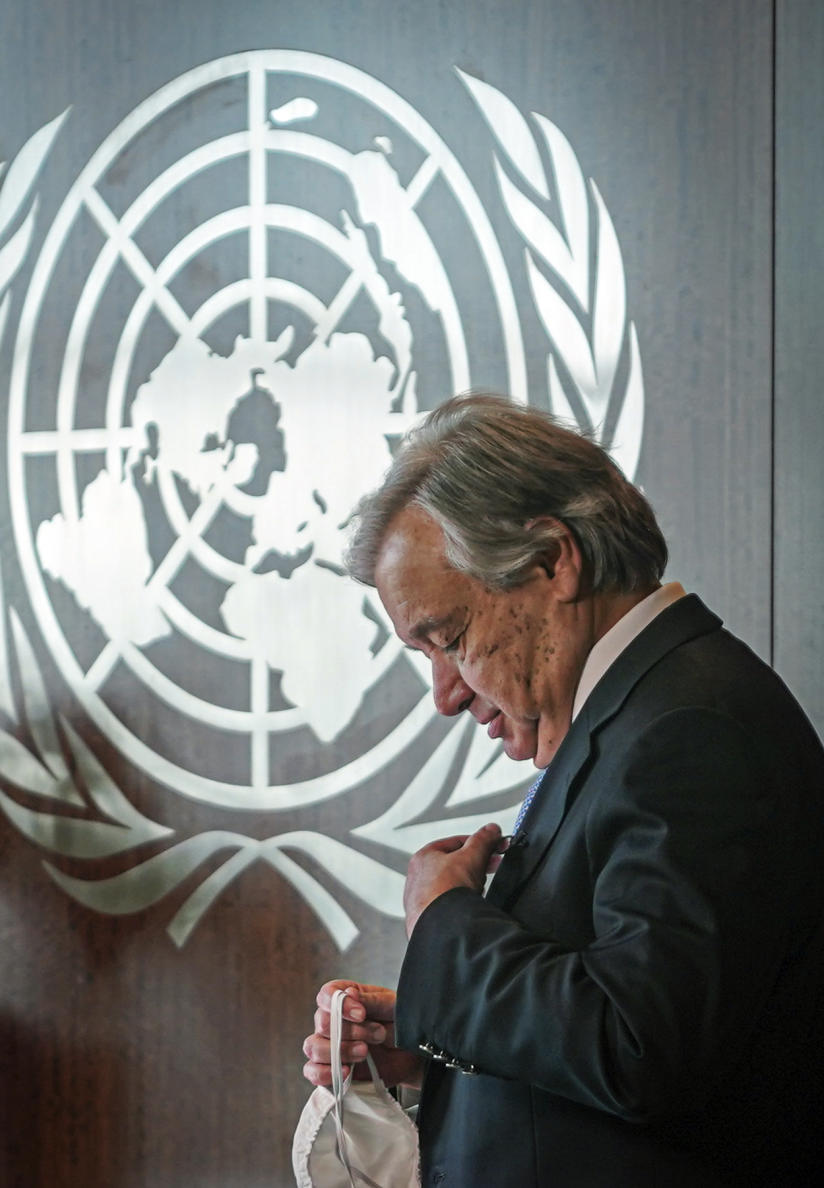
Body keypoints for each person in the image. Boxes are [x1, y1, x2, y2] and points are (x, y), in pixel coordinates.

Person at [302, 393, 824, 1186]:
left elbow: (641, 1048)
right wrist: (435, 1035)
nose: (444, 693)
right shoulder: (646, 716)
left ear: (553, 560)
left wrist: (444, 924)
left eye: (450, 639)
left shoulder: (690, 729)